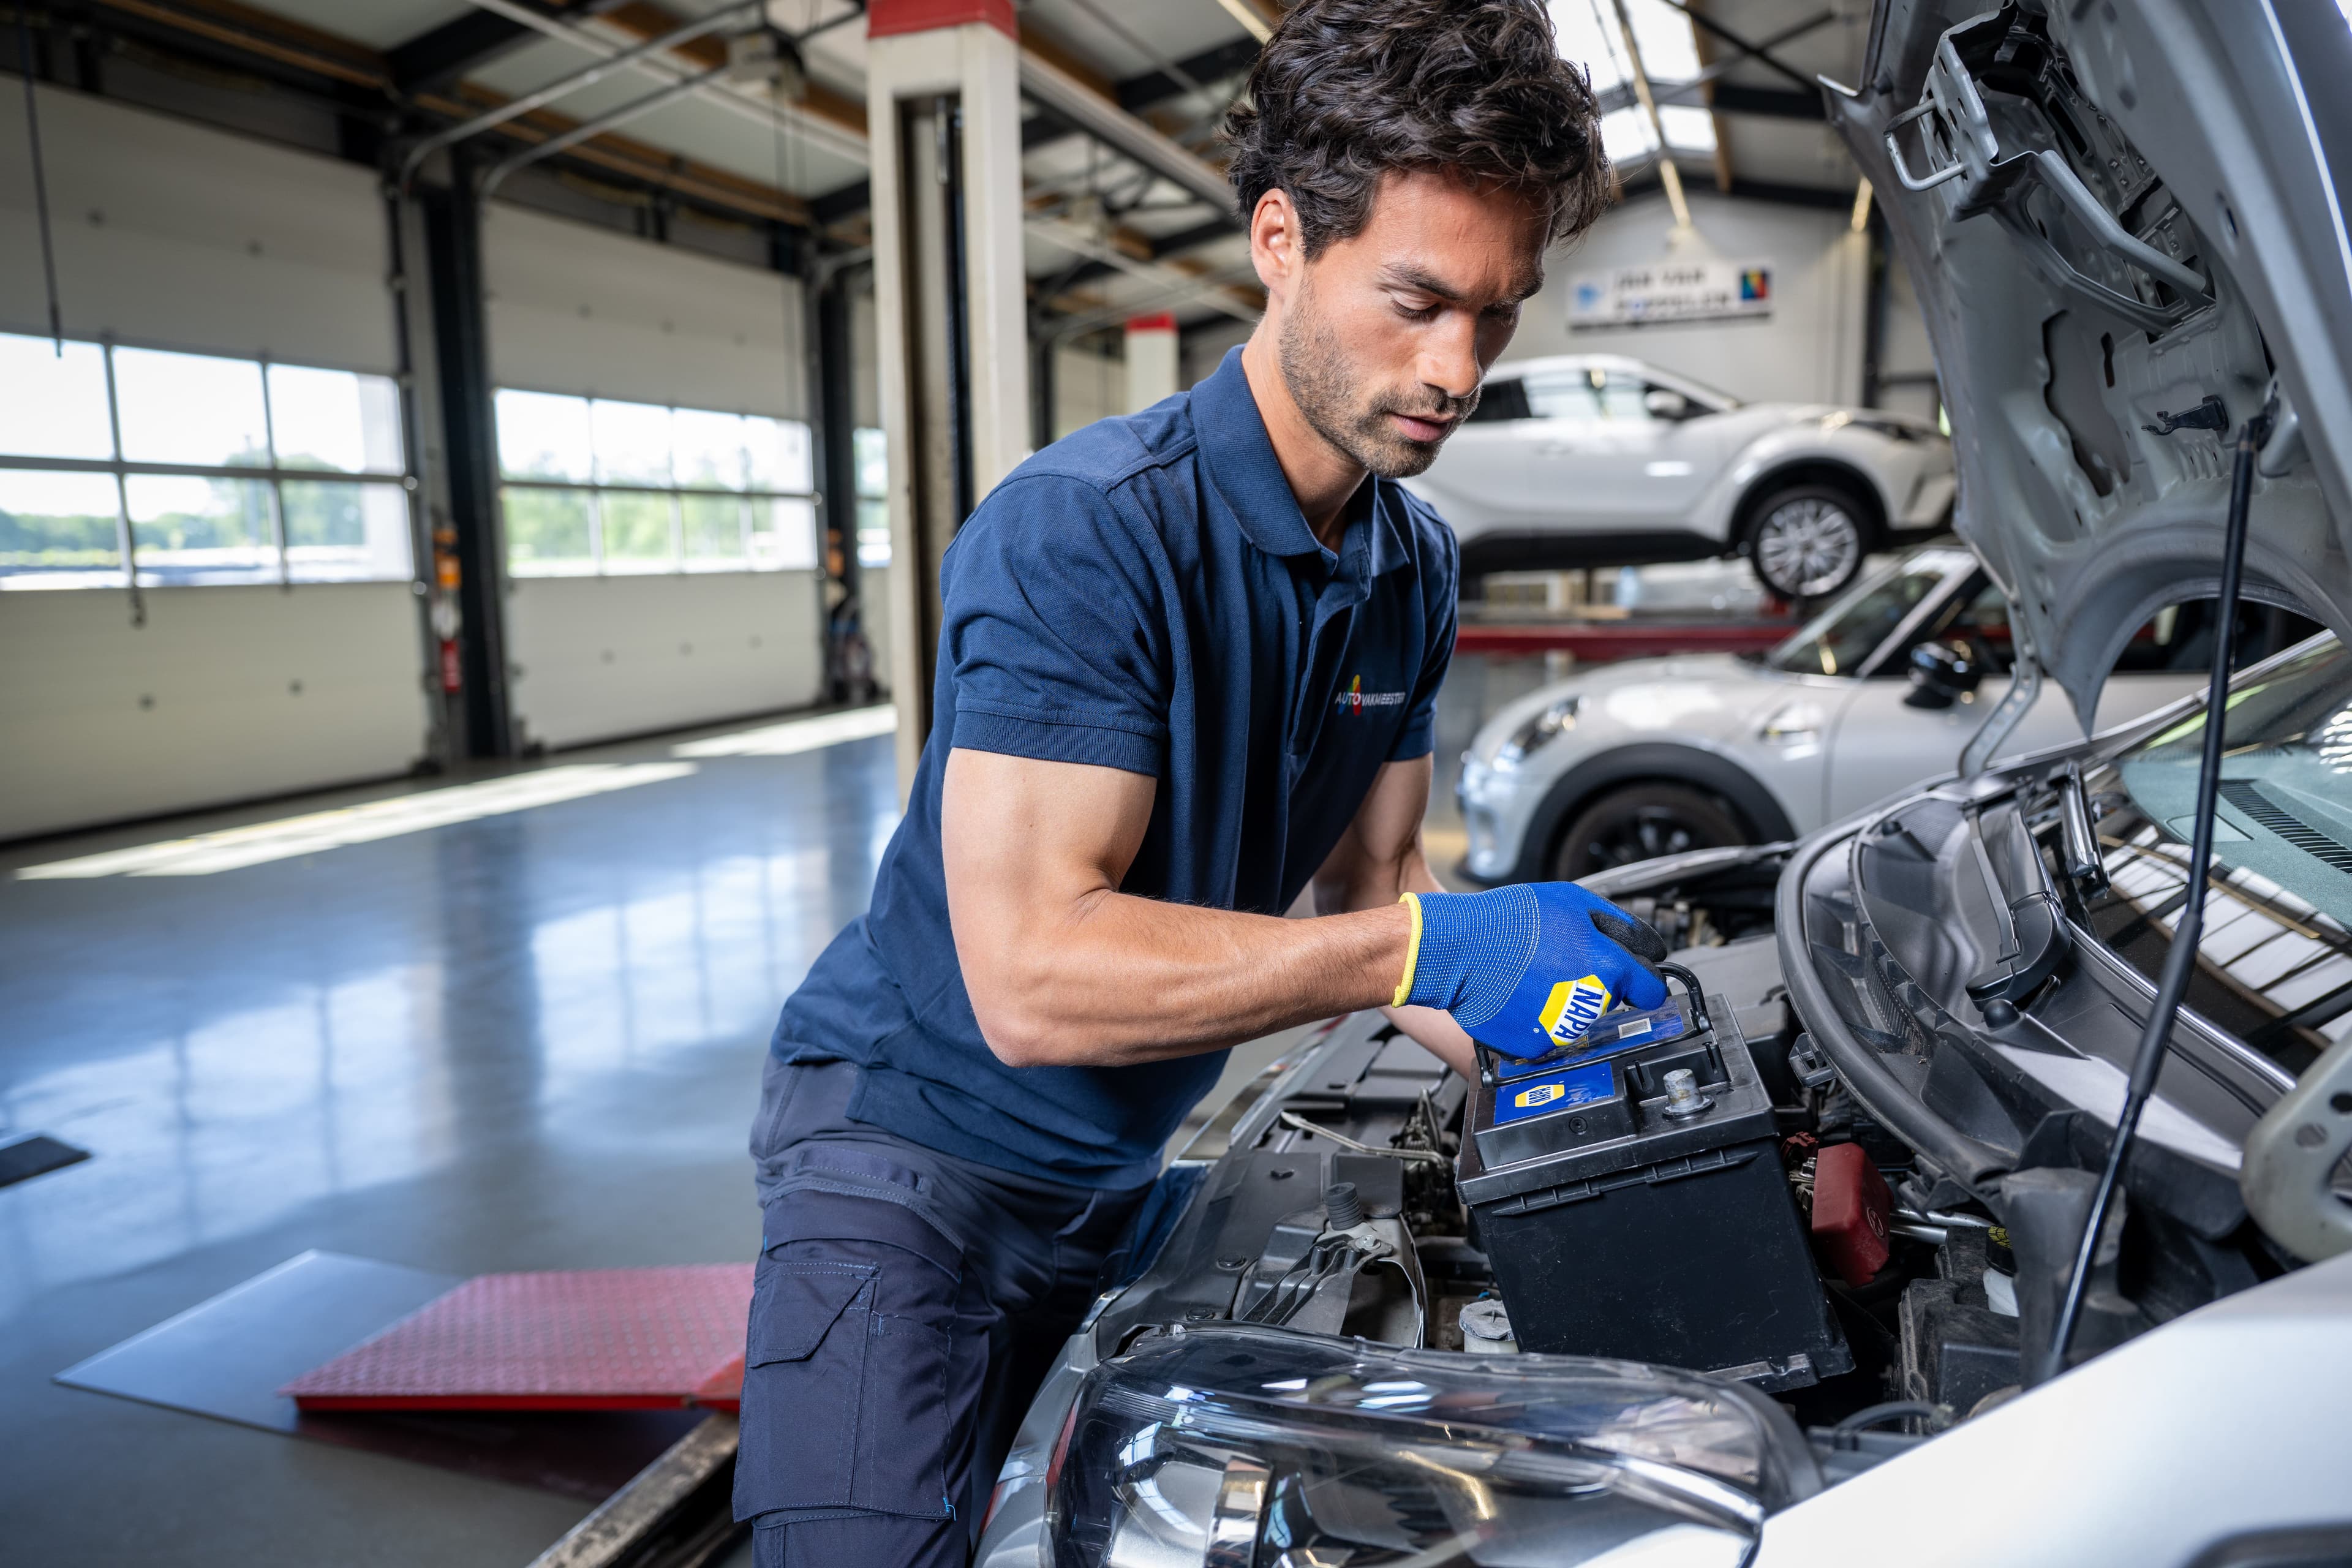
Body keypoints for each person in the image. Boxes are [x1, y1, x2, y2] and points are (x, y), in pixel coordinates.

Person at [733, 2, 1667, 1561]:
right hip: (911, 1161)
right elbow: (1034, 976)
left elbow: (1380, 887)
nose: (1459, 368)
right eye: (1420, 300)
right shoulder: (1084, 532)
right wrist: (1429, 951)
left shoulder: (1411, 563)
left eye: (1498, 314)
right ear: (1282, 240)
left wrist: (1564, 1065)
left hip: (1116, 1164)